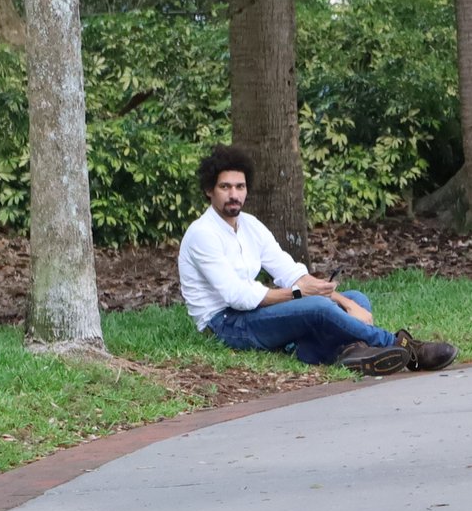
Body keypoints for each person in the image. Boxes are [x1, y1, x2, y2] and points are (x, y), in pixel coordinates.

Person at [178, 144, 453, 373]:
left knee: (356, 299)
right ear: (209, 190)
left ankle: (345, 351)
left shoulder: (250, 225)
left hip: (254, 313)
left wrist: (341, 300)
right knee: (319, 309)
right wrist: (302, 295)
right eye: (225, 187)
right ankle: (401, 346)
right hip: (226, 324)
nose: (234, 194)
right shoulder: (202, 234)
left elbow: (290, 271)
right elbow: (238, 296)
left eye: (240, 186)